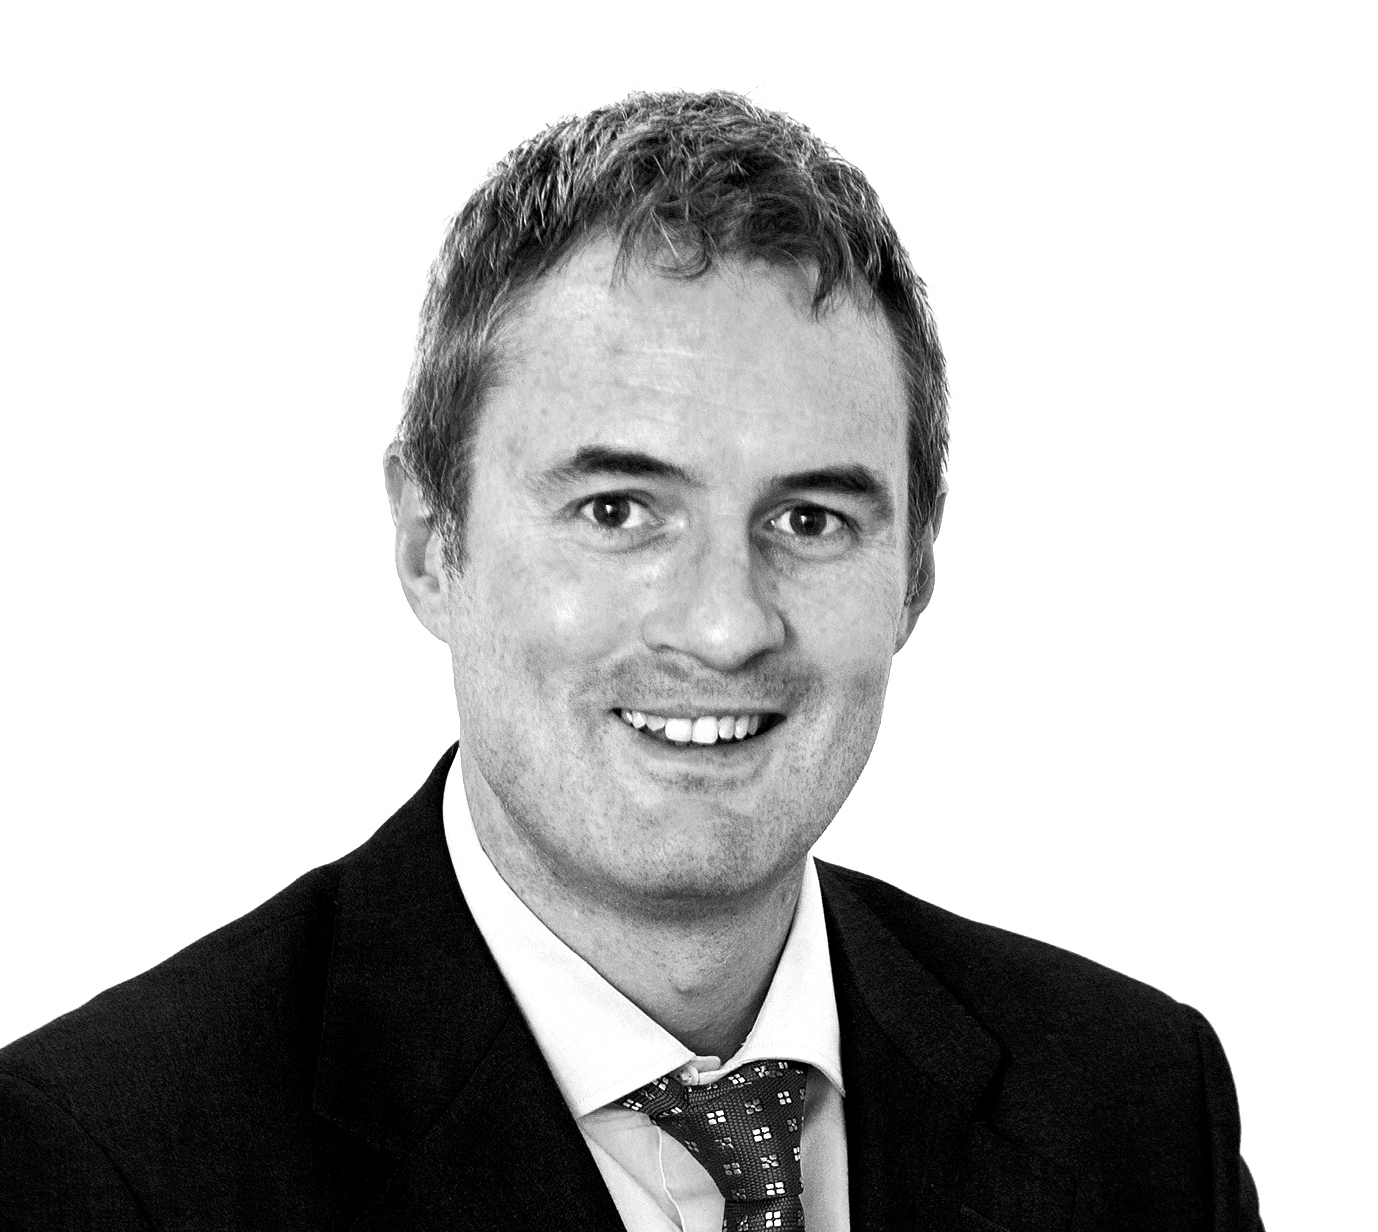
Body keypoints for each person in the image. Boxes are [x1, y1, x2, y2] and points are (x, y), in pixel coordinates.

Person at [0, 91, 1262, 1230]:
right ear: (432, 542)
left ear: (914, 574)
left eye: (809, 518)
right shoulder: (98, 1162)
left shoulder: (1137, 1106)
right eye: (617, 509)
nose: (724, 625)